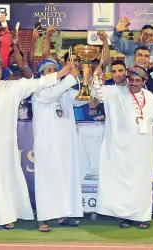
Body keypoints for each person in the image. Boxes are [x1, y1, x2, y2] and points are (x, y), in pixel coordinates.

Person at [0, 55, 73, 233]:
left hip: (4, 145)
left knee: (6, 180)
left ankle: (6, 217)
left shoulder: (11, 88)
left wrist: (61, 73)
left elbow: (37, 83)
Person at [93, 66, 153, 229]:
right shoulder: (115, 92)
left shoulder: (149, 96)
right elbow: (96, 93)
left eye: (138, 81)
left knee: (142, 183)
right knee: (124, 184)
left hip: (144, 149)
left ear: (144, 82)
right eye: (131, 80)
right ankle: (126, 216)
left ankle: (143, 216)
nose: (134, 83)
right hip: (120, 149)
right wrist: (95, 76)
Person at [30, 57, 88, 232]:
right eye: (48, 70)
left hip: (65, 143)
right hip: (46, 143)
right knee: (46, 179)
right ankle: (44, 218)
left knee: (66, 177)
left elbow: (82, 99)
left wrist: (89, 81)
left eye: (54, 69)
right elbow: (50, 95)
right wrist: (70, 77)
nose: (53, 72)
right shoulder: (38, 90)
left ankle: (64, 214)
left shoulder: (66, 91)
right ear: (41, 75)